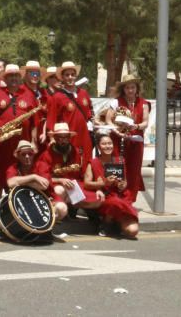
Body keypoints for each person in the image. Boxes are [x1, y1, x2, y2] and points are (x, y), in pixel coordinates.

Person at [0, 63, 40, 204]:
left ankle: (18, 203)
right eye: (10, 76)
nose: (14, 78)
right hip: (1, 141)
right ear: (5, 78)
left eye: (16, 75)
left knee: (21, 171)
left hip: (22, 142)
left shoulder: (28, 95)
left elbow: (34, 122)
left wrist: (33, 142)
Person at [35, 122, 99, 221]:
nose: (63, 140)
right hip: (55, 187)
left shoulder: (77, 152)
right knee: (59, 190)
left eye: (66, 137)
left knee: (98, 199)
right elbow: (43, 179)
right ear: (55, 138)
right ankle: (56, 216)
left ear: (70, 138)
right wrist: (60, 180)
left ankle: (72, 209)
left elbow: (84, 174)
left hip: (75, 186)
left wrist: (96, 187)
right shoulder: (46, 155)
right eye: (60, 137)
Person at [104, 73, 150, 202]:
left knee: (134, 170)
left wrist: (136, 126)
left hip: (136, 142)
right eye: (127, 88)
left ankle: (130, 199)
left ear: (137, 88)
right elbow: (108, 120)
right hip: (118, 140)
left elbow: (145, 122)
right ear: (123, 89)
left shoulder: (144, 103)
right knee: (117, 167)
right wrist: (117, 131)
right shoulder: (116, 102)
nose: (130, 90)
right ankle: (115, 196)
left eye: (133, 87)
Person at [84, 134, 139, 239]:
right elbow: (87, 183)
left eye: (109, 143)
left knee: (133, 231)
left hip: (121, 197)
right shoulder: (93, 162)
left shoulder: (119, 161)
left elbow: (124, 183)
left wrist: (121, 185)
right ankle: (106, 223)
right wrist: (104, 184)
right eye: (104, 144)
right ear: (99, 147)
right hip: (105, 197)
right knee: (115, 202)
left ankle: (116, 222)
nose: (107, 146)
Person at [45, 61, 94, 165]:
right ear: (62, 77)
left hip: (85, 136)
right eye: (67, 75)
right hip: (68, 139)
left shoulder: (84, 93)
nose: (70, 77)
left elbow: (90, 114)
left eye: (72, 74)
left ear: (76, 76)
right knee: (71, 164)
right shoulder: (57, 97)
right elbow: (51, 119)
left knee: (86, 162)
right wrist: (52, 139)